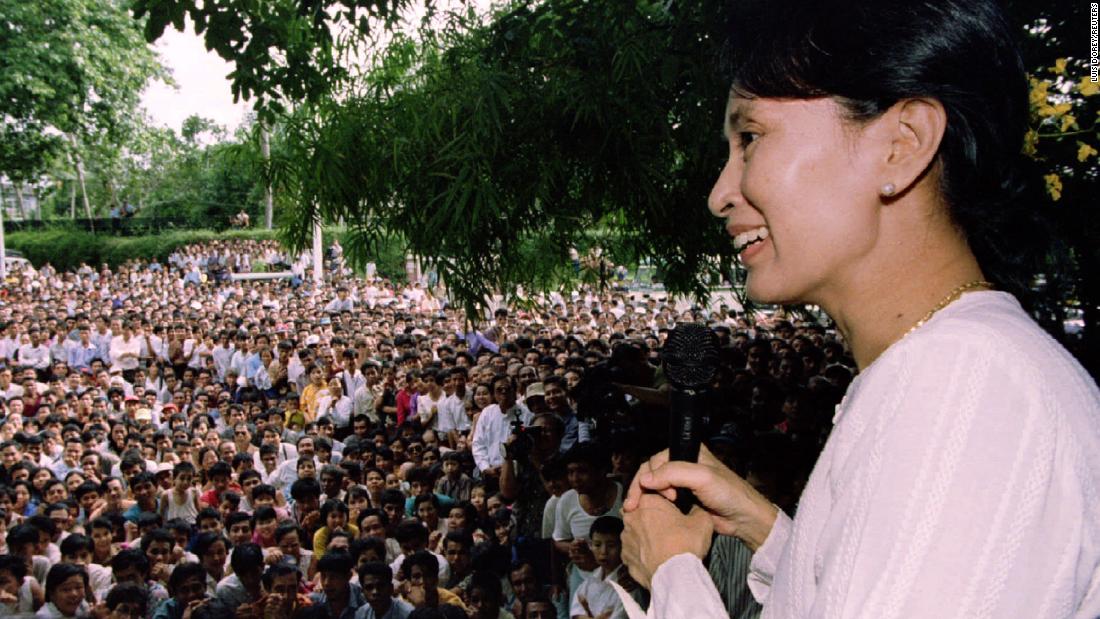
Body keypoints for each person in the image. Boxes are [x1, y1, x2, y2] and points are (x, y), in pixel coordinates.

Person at [619, 1, 1100, 618]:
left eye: (751, 139)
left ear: (902, 145)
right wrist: (770, 533)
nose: (720, 194)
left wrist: (675, 575)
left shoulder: (969, 388)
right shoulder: (946, 370)